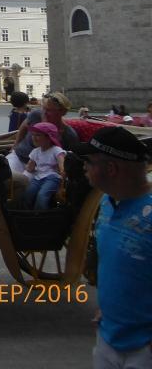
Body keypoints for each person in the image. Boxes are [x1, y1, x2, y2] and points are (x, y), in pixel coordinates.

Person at [77, 127, 152, 369]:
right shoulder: (107, 202)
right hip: (108, 338)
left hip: (144, 349)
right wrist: (107, 307)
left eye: (88, 162)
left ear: (111, 169)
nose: (83, 167)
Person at [8, 91, 79, 175]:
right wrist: (15, 145)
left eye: (48, 110)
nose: (44, 113)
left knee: (19, 181)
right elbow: (23, 127)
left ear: (62, 112)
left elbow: (67, 159)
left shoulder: (68, 134)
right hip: (18, 157)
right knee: (4, 174)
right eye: (43, 108)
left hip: (41, 168)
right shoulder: (36, 115)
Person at [23, 122, 65, 210]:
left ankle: (40, 216)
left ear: (49, 138)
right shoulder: (35, 151)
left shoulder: (56, 150)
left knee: (42, 195)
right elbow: (30, 168)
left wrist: (62, 186)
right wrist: (28, 166)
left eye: (38, 135)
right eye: (33, 135)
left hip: (52, 178)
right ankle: (27, 214)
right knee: (28, 193)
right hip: (38, 178)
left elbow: (62, 168)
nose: (34, 138)